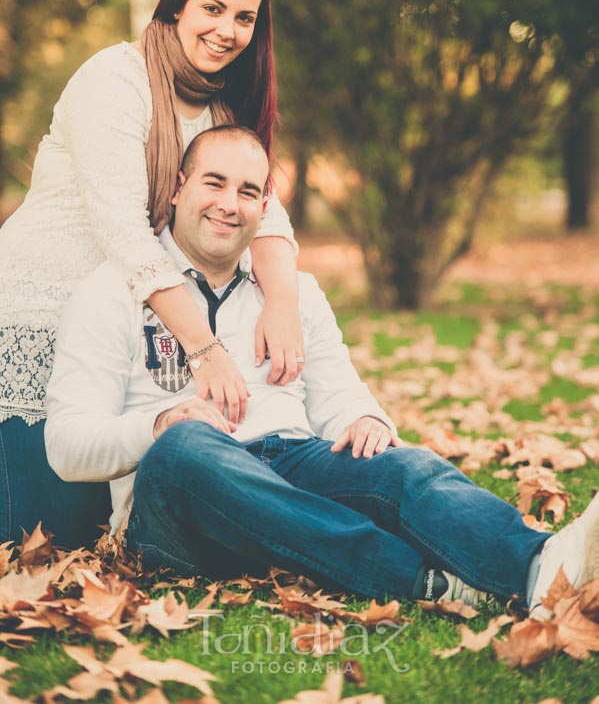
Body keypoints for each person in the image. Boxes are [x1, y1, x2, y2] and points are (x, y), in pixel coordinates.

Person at [45, 126, 599, 615]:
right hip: (180, 502)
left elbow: (340, 394)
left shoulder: (292, 291)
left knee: (405, 468)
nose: (228, 204)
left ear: (266, 207)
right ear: (178, 189)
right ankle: (423, 580)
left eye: (247, 191)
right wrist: (159, 425)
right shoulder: (114, 291)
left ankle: (540, 567)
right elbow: (66, 445)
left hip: (292, 462)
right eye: (213, 183)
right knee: (186, 446)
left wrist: (364, 418)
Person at [0, 0, 304, 548]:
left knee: (110, 535)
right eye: (212, 9)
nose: (227, 30)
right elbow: (123, 230)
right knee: (45, 543)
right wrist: (205, 347)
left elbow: (265, 213)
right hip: (41, 313)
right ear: (177, 5)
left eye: (244, 18)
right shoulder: (115, 79)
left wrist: (283, 303)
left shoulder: (221, 110)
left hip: (119, 325)